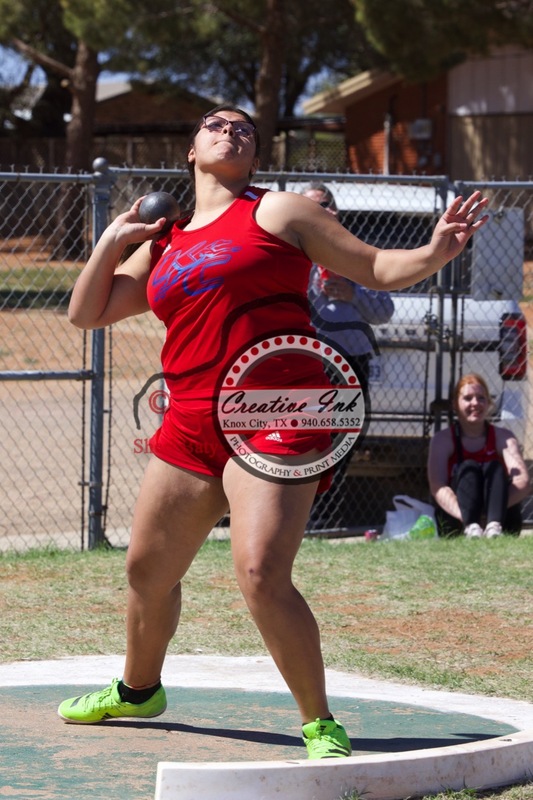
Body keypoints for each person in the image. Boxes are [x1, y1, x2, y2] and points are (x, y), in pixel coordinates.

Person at [58, 102, 489, 759]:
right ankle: (139, 688)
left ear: (254, 156)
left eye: (244, 130)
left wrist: (436, 250)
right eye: (215, 126)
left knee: (260, 572)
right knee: (146, 572)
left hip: (279, 408)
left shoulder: (279, 212)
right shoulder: (164, 241)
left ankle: (319, 722)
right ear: (190, 152)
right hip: (191, 416)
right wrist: (116, 239)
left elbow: (372, 269)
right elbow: (86, 314)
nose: (230, 132)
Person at [303, 182, 394, 530]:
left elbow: (384, 310)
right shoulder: (292, 252)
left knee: (342, 442)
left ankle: (325, 522)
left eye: (327, 204)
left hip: (352, 363)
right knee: (308, 441)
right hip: (309, 362)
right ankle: (300, 518)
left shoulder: (357, 253)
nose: (324, 211)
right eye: (313, 205)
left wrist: (354, 294)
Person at [427, 373, 530, 538]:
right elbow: (437, 486)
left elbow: (522, 482)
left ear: (488, 403)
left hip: (499, 521)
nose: (475, 403)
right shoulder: (442, 440)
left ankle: (494, 527)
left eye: (481, 398)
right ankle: (471, 528)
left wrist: (490, 513)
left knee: (494, 467)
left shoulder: (504, 437)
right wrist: (470, 515)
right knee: (469, 468)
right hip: (458, 520)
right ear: (455, 404)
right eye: (468, 398)